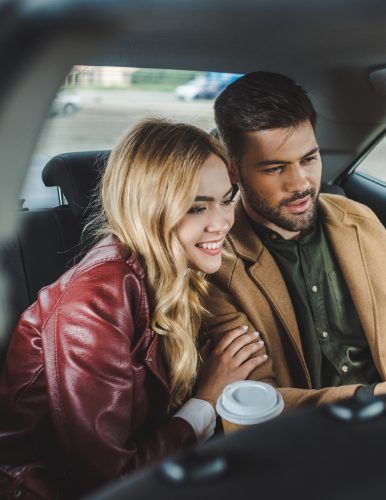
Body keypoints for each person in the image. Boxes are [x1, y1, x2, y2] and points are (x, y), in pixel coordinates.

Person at [0, 119, 267, 499]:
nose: (223, 222)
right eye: (196, 207)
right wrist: (206, 400)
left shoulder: (175, 272)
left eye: (226, 199)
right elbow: (110, 480)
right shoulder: (92, 305)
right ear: (149, 209)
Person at [205, 71, 386, 410]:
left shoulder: (359, 221)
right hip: (315, 440)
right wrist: (378, 396)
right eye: (274, 168)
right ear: (233, 171)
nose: (301, 184)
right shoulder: (218, 266)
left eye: (309, 159)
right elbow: (255, 399)